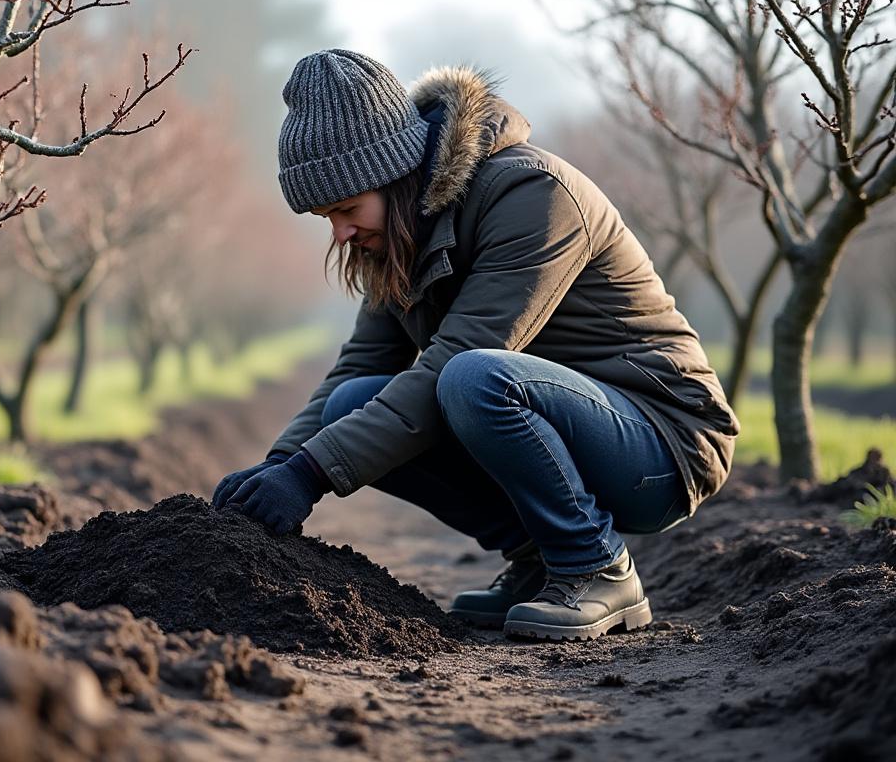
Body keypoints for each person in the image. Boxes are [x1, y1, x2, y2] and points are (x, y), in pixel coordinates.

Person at [211, 50, 739, 641]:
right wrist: (281, 465)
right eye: (323, 216)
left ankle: (596, 567)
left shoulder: (535, 195)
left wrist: (311, 475)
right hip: (558, 422)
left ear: (395, 175)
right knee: (351, 403)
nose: (339, 232)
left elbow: (460, 355)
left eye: (345, 209)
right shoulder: (399, 237)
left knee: (471, 377)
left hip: (661, 444)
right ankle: (538, 560)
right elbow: (361, 364)